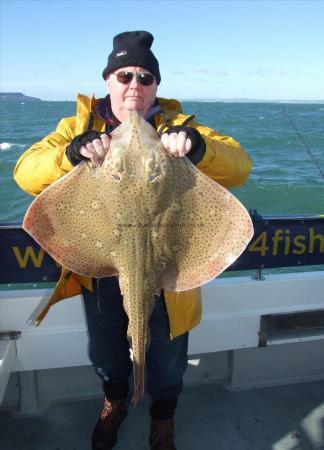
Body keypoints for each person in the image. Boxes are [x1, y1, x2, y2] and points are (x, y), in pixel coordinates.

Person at [14, 31, 252, 450]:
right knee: (108, 355)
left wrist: (197, 148)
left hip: (171, 269)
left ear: (156, 86)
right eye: (125, 75)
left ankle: (163, 418)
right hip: (102, 267)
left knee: (169, 362)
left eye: (145, 77)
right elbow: (26, 172)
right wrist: (71, 154)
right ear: (108, 80)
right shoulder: (77, 127)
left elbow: (239, 166)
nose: (134, 86)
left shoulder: (181, 127)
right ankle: (116, 402)